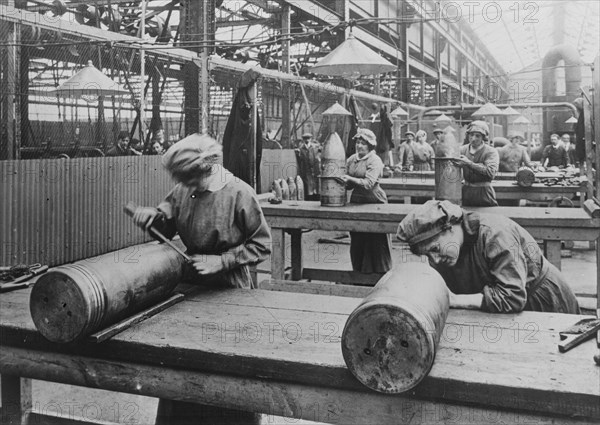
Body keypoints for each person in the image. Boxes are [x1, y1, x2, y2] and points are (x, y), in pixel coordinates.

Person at [132, 133, 271, 424]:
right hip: (188, 287)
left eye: (190, 180)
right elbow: (167, 225)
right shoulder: (184, 189)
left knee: (227, 366)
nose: (185, 188)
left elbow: (262, 244)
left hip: (229, 290)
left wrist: (223, 260)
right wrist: (152, 219)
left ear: (206, 169)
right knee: (180, 363)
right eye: (182, 182)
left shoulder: (238, 193)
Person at [397, 200, 580, 314]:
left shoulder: (495, 235)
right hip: (501, 313)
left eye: (435, 249)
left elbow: (513, 297)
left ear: (450, 227)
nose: (434, 260)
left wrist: (453, 300)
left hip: (543, 302)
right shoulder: (448, 250)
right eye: (427, 255)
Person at [340, 128, 392, 273]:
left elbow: (369, 184)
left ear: (370, 145)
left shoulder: (375, 160)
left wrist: (349, 179)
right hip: (357, 201)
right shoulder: (352, 159)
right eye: (358, 142)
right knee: (357, 237)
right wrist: (341, 181)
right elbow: (349, 185)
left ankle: (380, 274)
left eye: (363, 143)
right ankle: (359, 273)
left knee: (376, 239)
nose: (359, 145)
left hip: (374, 201)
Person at [451, 121, 499, 207]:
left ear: (483, 137)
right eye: (471, 135)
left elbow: (490, 172)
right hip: (466, 193)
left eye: (477, 136)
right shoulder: (462, 150)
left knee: (487, 218)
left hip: (484, 193)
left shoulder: (491, 152)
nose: (473, 138)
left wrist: (468, 163)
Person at [295, 132, 321, 200]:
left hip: (315, 171)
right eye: (305, 139)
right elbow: (300, 160)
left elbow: (318, 157)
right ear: (303, 140)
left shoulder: (315, 147)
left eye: (308, 138)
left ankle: (316, 197)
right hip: (306, 171)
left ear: (310, 139)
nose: (307, 140)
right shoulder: (301, 149)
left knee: (316, 186)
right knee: (308, 187)